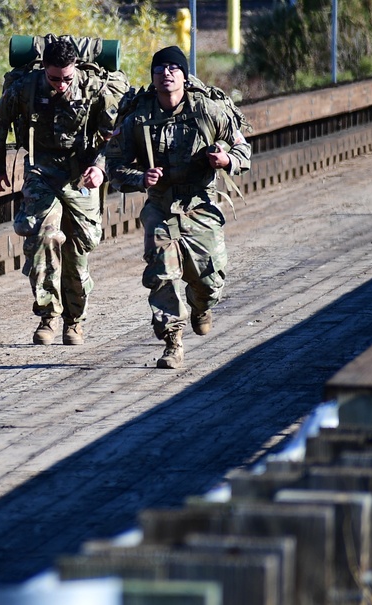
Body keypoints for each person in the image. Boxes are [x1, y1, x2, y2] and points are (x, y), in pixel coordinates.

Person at [106, 46, 251, 368]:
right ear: (153, 77)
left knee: (209, 281)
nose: (166, 74)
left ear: (184, 75)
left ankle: (201, 306)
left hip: (200, 204)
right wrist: (141, 177)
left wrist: (226, 159)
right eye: (160, 69)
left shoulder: (209, 111)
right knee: (161, 275)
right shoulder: (138, 117)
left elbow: (243, 150)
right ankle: (173, 343)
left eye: (174, 68)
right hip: (160, 207)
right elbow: (114, 165)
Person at [0, 37, 127, 345]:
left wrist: (100, 167)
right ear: (44, 69)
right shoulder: (27, 88)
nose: (61, 85)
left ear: (76, 70)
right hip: (41, 168)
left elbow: (115, 134)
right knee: (43, 237)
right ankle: (48, 315)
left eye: (67, 79)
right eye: (54, 78)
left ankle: (74, 321)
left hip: (81, 173)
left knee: (77, 248)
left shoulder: (93, 88)